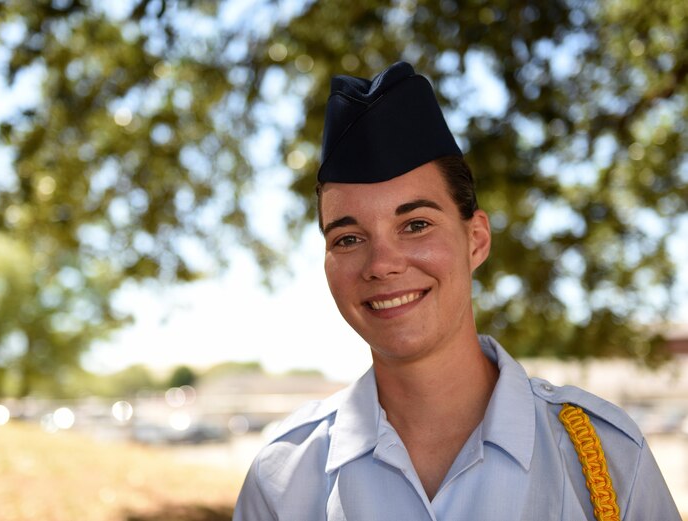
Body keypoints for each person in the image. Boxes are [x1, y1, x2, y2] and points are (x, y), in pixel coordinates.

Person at [232, 61, 681, 520]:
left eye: (416, 224)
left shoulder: (603, 460)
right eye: (348, 238)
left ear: (476, 239)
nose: (383, 264)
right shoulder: (282, 480)